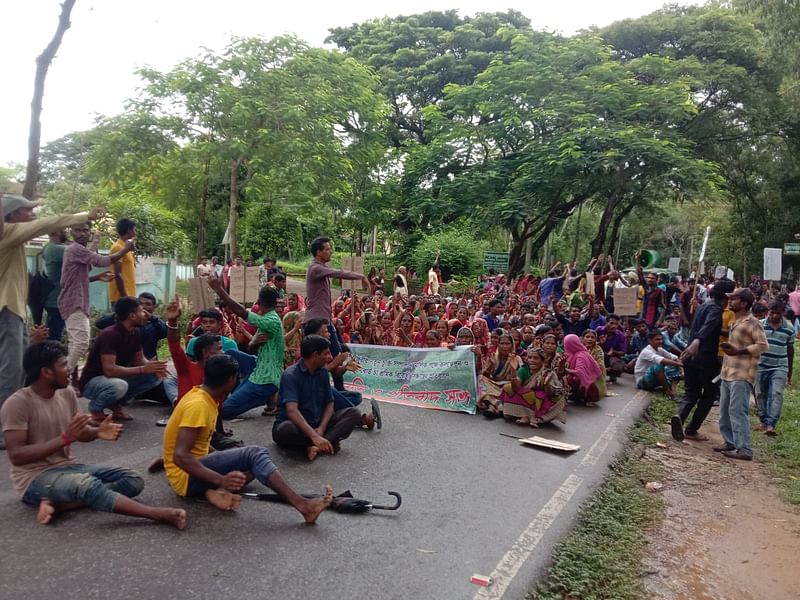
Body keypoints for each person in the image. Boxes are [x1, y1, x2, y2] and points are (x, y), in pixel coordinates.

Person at [0, 341, 185, 528]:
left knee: (133, 479)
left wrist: (97, 432)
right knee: (85, 485)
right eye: (64, 365)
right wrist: (65, 438)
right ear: (46, 372)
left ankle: (58, 504)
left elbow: (79, 433)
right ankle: (158, 515)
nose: (70, 368)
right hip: (34, 479)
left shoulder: (66, 393)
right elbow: (17, 456)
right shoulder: (17, 404)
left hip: (68, 469)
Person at [163, 353, 333, 521]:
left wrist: (226, 461)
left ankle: (214, 492)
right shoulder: (198, 405)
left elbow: (201, 442)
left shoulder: (207, 397)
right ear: (231, 379)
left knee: (254, 465)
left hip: (193, 468)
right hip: (184, 478)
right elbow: (180, 456)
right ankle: (304, 506)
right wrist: (221, 478)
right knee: (255, 455)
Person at [0, 195, 106, 450]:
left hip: (15, 309)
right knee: (11, 371)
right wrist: (86, 216)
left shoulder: (17, 238)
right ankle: (7, 431)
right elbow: (50, 222)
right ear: (13, 216)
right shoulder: (11, 233)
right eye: (27, 211)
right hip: (9, 309)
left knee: (23, 364)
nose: (32, 215)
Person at [59, 222, 134, 381]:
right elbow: (104, 261)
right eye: (77, 230)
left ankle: (66, 380)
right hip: (74, 302)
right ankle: (60, 376)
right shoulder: (74, 249)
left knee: (75, 344)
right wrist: (126, 249)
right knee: (80, 344)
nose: (81, 233)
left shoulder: (78, 251)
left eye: (85, 230)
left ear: (89, 232)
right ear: (71, 231)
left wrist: (97, 277)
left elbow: (79, 275)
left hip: (76, 301)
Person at [272, 336, 362, 461]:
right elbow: (291, 410)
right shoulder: (290, 375)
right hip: (297, 426)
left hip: (317, 424)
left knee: (353, 413)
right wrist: (314, 435)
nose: (329, 357)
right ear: (315, 355)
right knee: (286, 430)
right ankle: (322, 442)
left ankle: (317, 446)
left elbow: (329, 403)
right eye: (326, 353)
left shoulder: (322, 372)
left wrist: (321, 429)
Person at [79, 296, 168, 423]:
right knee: (120, 386)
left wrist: (155, 367)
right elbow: (109, 370)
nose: (144, 314)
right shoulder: (110, 334)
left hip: (111, 379)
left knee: (153, 376)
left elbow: (140, 360)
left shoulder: (134, 332)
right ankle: (95, 409)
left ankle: (115, 406)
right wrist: (144, 369)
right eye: (141, 311)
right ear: (132, 316)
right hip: (92, 383)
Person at [207, 275, 284, 418]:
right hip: (258, 367)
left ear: (259, 302)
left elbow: (242, 312)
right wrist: (254, 343)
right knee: (230, 352)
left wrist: (219, 290)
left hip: (265, 378)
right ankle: (262, 396)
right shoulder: (265, 320)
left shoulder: (271, 320)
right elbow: (250, 348)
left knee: (224, 411)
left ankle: (267, 396)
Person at [671, 279, 735, 442]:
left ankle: (679, 416)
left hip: (690, 357)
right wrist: (697, 341)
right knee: (709, 394)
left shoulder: (705, 305)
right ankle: (691, 430)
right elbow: (708, 325)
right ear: (727, 295)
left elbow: (710, 327)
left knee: (691, 392)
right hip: (705, 358)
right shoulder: (715, 309)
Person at [716, 288, 769, 460]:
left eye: (734, 299)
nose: (730, 302)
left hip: (742, 373)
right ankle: (730, 442)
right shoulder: (735, 321)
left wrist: (740, 350)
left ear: (744, 303)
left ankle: (744, 449)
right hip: (727, 372)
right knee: (724, 411)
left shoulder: (753, 322)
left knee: (737, 411)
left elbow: (762, 346)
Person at [500, 347, 566, 426]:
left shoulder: (547, 373)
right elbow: (516, 388)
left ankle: (531, 416)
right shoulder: (523, 369)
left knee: (539, 395)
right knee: (508, 387)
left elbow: (551, 395)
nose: (532, 360)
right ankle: (520, 413)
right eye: (530, 357)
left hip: (540, 401)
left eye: (535, 358)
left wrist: (546, 385)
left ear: (542, 361)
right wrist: (513, 371)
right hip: (525, 397)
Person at [756, 301, 795, 436]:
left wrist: (789, 372)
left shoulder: (789, 328)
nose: (774, 316)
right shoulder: (760, 325)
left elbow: (790, 350)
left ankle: (771, 424)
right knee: (760, 394)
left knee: (776, 394)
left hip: (780, 366)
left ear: (782, 313)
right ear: (768, 312)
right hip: (761, 364)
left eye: (778, 313)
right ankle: (763, 420)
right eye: (772, 313)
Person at [95, 292, 168, 360]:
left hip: (147, 364)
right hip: (124, 366)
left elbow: (167, 333)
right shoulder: (126, 321)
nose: (143, 307)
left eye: (148, 304)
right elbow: (99, 323)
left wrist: (152, 318)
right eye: (141, 303)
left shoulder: (155, 323)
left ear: (154, 307)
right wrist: (122, 312)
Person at [478, 332, 521, 418]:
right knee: (480, 378)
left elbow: (519, 379)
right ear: (498, 344)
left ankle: (492, 407)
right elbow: (486, 375)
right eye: (502, 343)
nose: (504, 346)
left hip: (507, 385)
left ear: (512, 345)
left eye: (507, 343)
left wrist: (513, 369)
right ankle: (499, 408)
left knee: (492, 392)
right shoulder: (493, 356)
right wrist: (490, 365)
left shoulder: (516, 358)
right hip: (494, 384)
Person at [634, 331, 683, 399]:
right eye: (657, 339)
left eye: (661, 339)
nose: (660, 341)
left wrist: (681, 368)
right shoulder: (646, 351)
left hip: (653, 379)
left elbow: (674, 357)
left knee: (674, 367)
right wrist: (681, 364)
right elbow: (662, 360)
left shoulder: (660, 349)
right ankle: (667, 390)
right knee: (657, 366)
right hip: (643, 381)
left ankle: (672, 391)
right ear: (649, 340)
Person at [41, 229, 68, 341]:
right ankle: (49, 358)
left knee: (52, 334)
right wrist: (95, 243)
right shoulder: (58, 249)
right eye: (64, 229)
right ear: (55, 231)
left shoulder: (48, 247)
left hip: (53, 299)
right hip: (56, 300)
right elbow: (84, 256)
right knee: (54, 337)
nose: (67, 232)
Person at [563, 333, 603, 406]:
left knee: (567, 379)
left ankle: (587, 397)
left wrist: (564, 370)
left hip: (590, 388)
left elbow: (579, 372)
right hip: (583, 385)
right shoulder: (573, 354)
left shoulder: (581, 355)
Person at [108, 218, 137, 305]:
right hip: (121, 298)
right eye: (135, 230)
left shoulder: (125, 248)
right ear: (129, 230)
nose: (136, 233)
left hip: (129, 295)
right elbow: (118, 274)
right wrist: (125, 297)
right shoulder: (117, 247)